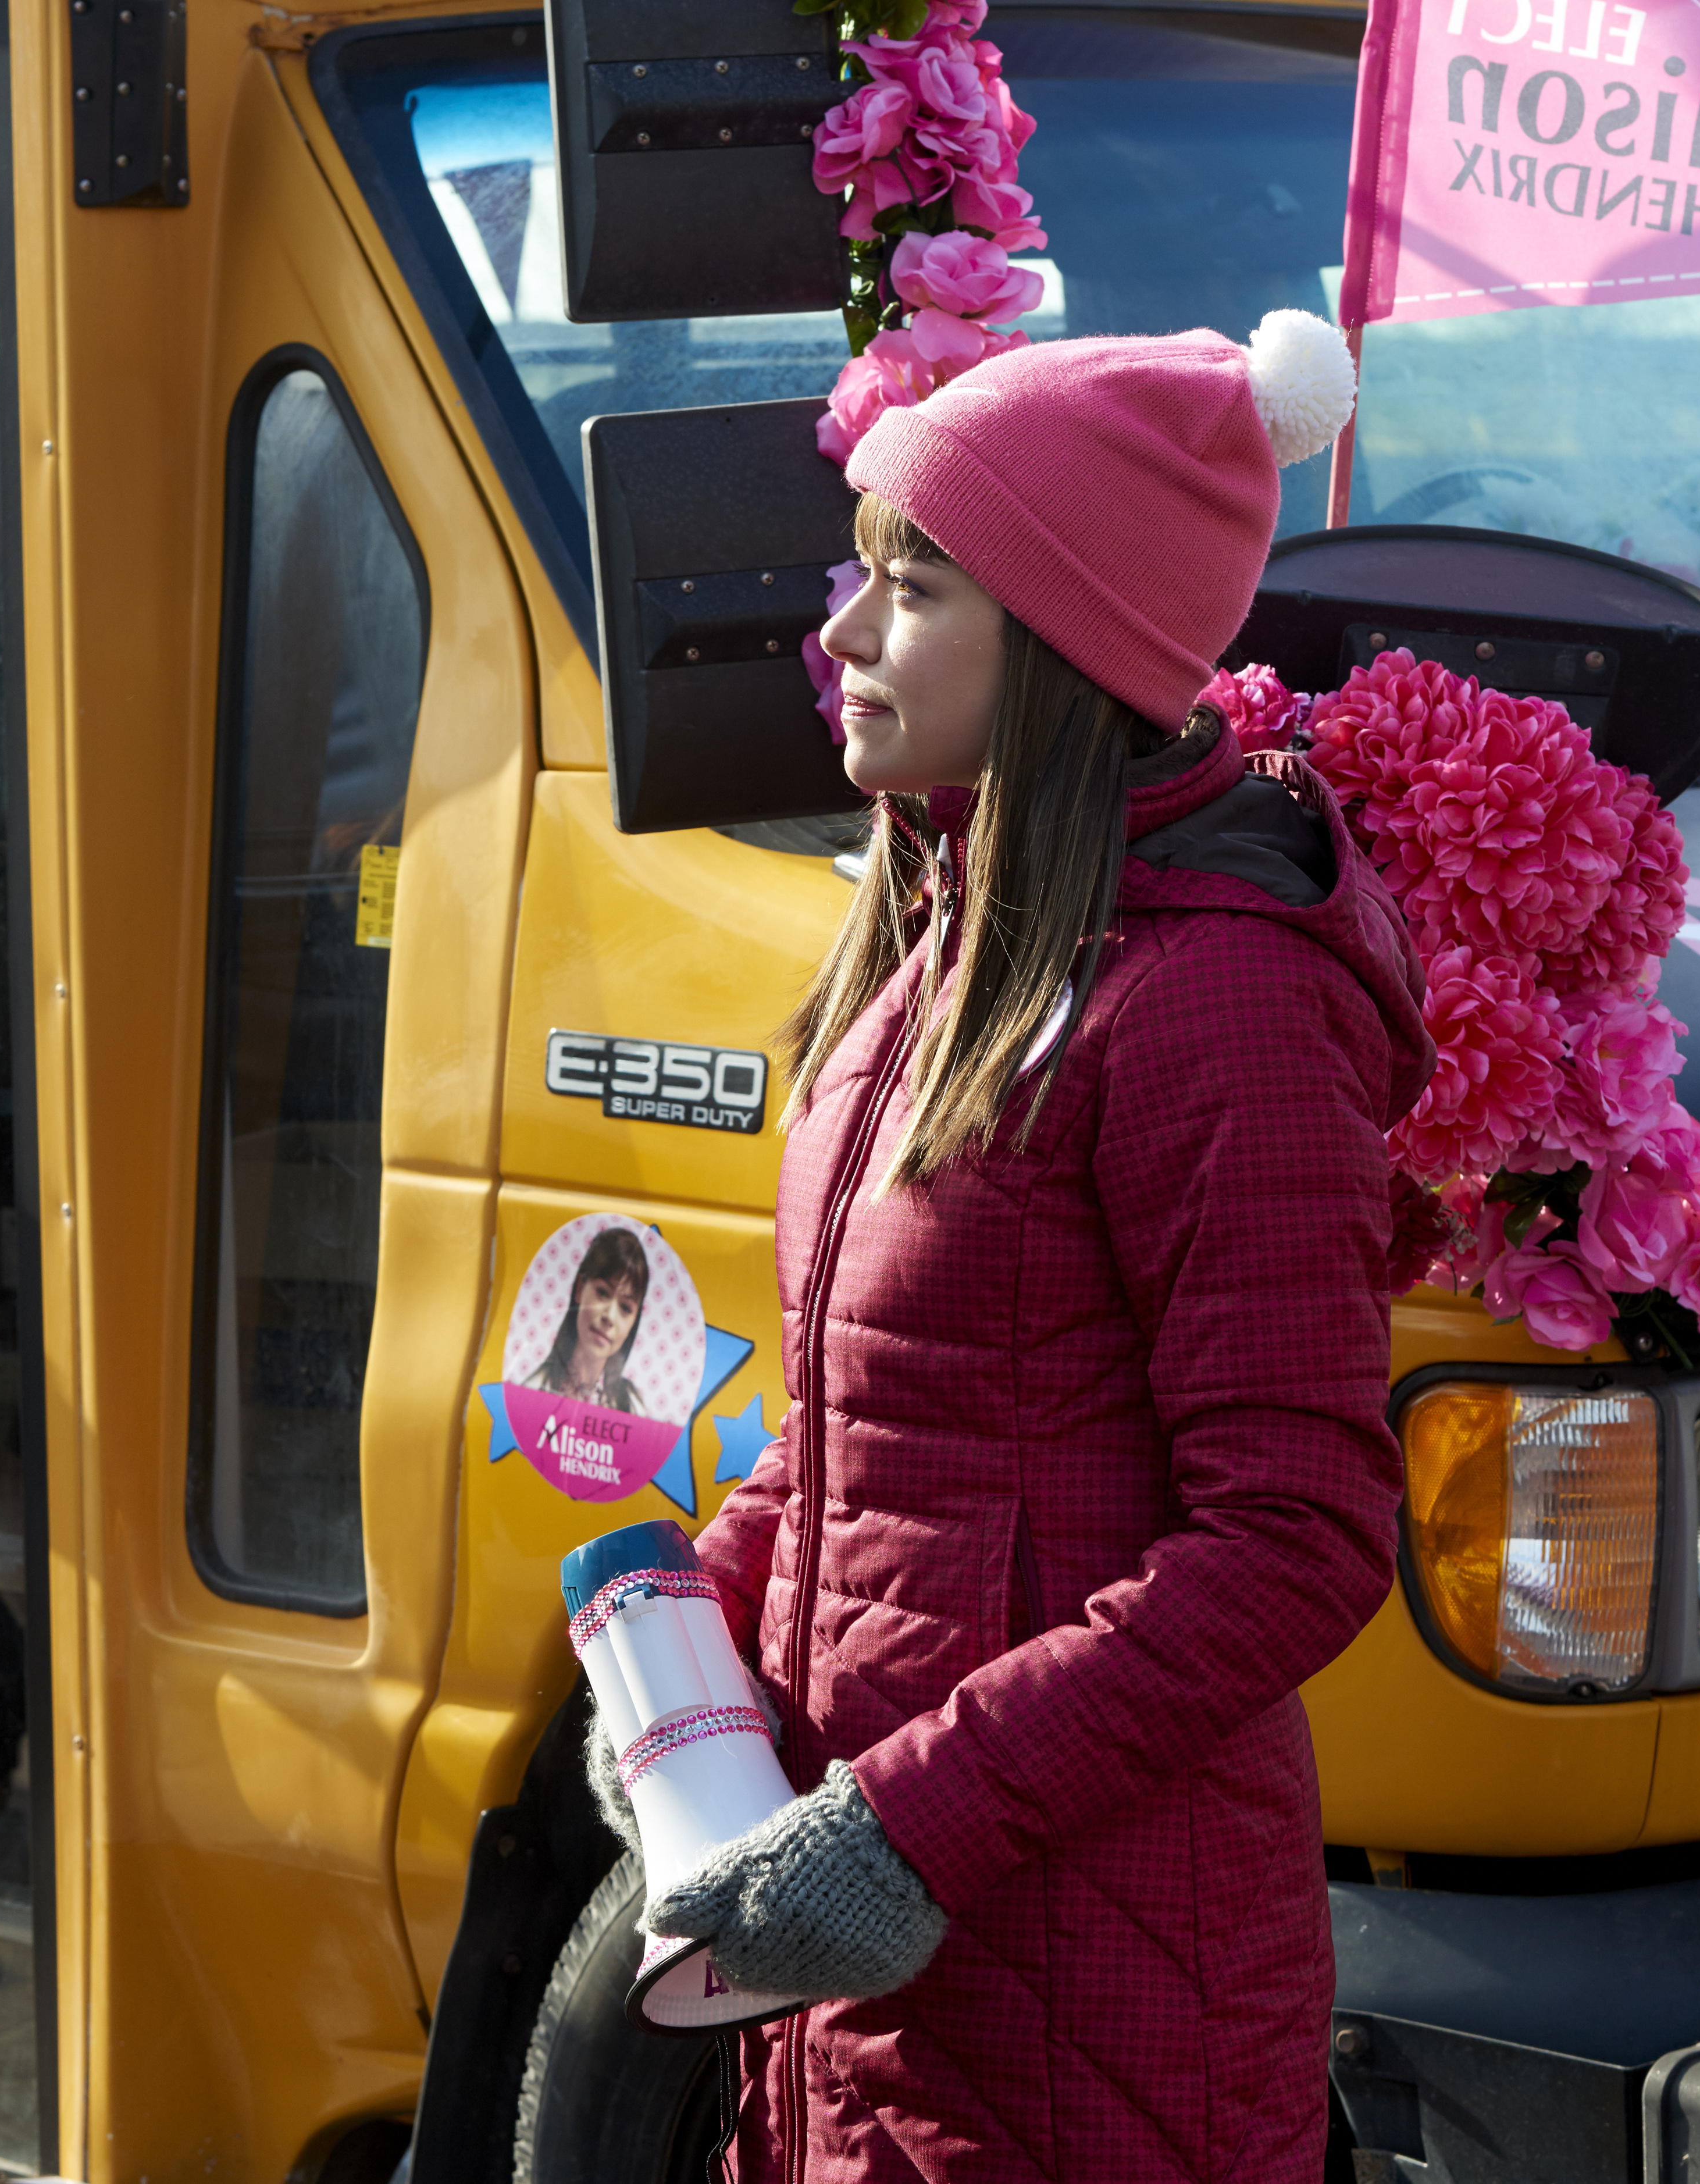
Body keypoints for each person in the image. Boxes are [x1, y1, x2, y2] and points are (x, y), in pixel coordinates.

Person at [610, 319, 1430, 2182]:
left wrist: (903, 1831)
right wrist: (688, 1674)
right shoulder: (947, 938)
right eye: (859, 570)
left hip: (1086, 2000)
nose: (839, 633)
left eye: (915, 586)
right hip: (881, 1983)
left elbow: (1295, 1539)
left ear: (1064, 643)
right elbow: (873, 1447)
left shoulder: (1215, 997)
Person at [526, 1227, 652, 1416]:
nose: (610, 1317)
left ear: (633, 1323)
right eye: (602, 1293)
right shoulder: (531, 1389)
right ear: (580, 1289)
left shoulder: (634, 1408)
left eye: (625, 1308)